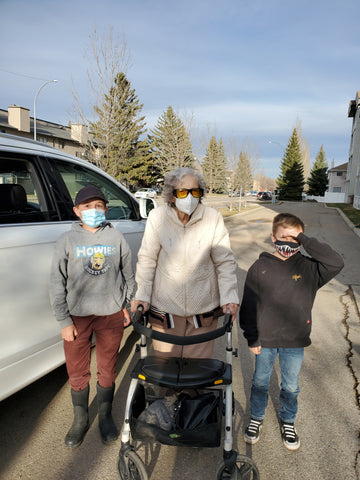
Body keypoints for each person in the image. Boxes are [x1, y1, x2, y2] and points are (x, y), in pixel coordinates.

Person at [240, 212, 344, 450]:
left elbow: (336, 262)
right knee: (260, 382)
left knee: (290, 386)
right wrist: (251, 336)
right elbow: (248, 305)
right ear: (273, 238)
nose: (288, 243)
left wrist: (304, 239)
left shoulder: (310, 269)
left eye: (294, 239)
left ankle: (288, 420)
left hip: (295, 340)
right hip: (264, 340)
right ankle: (256, 417)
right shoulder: (259, 267)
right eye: (283, 237)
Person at [49, 185, 136, 448]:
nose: (93, 211)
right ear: (76, 211)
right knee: (77, 369)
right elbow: (56, 281)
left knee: (107, 367)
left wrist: (126, 305)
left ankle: (105, 416)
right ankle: (80, 419)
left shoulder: (116, 237)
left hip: (110, 315)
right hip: (78, 317)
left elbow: (129, 275)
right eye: (87, 207)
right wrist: (64, 321)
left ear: (106, 209)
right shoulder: (67, 240)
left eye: (98, 206)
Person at [131, 167, 239, 358]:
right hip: (165, 309)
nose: (189, 197)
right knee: (166, 367)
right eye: (182, 192)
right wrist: (141, 295)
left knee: (197, 368)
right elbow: (147, 259)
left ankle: (194, 390)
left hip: (203, 308)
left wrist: (229, 297)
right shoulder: (158, 217)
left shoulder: (212, 217)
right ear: (171, 196)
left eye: (195, 191)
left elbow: (225, 261)